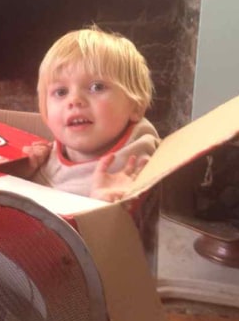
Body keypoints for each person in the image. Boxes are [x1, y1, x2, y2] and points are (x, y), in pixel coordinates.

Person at [23, 25, 159, 202]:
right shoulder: (49, 155)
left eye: (97, 87)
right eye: (61, 92)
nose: (74, 100)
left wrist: (106, 207)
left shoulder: (136, 168)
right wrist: (23, 174)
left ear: (136, 106)